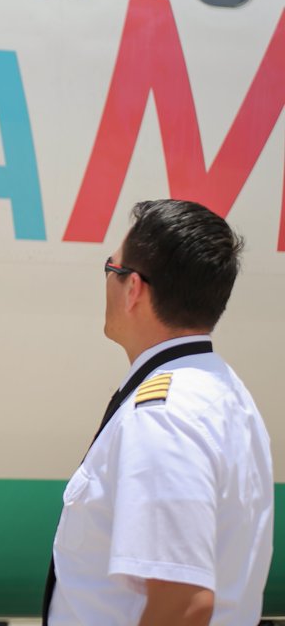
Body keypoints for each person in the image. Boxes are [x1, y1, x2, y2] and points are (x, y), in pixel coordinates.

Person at [43, 200, 273, 626]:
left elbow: (184, 604)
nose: (106, 283)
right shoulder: (221, 391)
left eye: (110, 270)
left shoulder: (164, 416)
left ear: (133, 289)